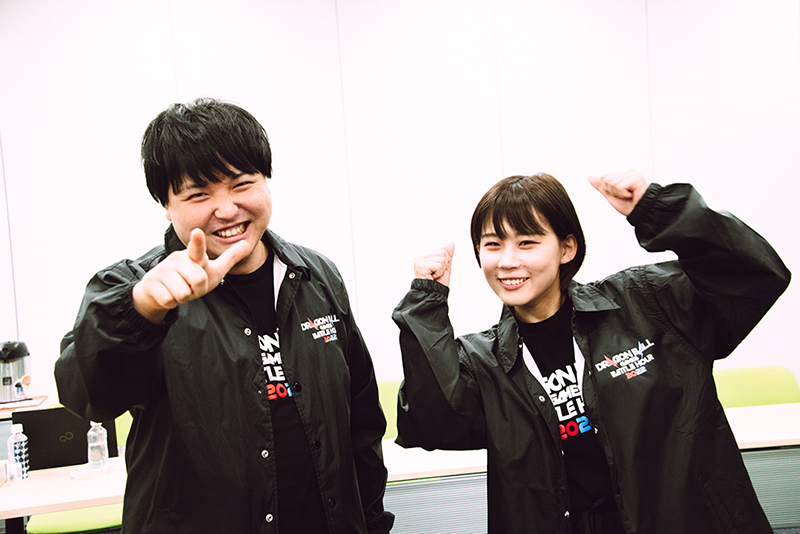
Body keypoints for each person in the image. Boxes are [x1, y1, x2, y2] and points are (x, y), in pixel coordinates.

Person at [56, 98, 394, 534]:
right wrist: (141, 311)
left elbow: (361, 422)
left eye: (241, 184)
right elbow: (86, 394)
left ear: (266, 181)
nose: (227, 209)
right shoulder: (140, 289)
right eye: (199, 194)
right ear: (166, 205)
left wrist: (371, 521)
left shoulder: (315, 276)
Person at [392, 170, 790, 534]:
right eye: (493, 245)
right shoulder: (482, 362)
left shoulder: (645, 304)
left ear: (566, 248)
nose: (508, 261)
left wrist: (658, 210)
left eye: (527, 242)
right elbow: (430, 422)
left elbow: (754, 277)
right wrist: (427, 302)